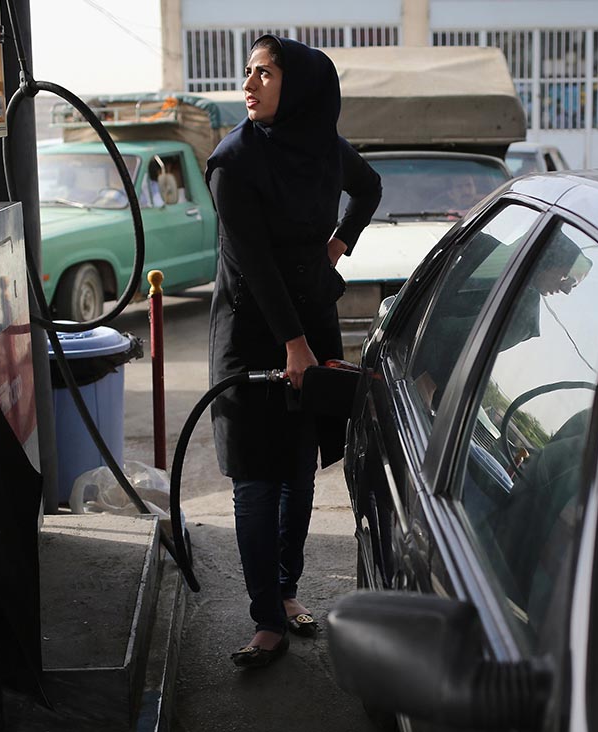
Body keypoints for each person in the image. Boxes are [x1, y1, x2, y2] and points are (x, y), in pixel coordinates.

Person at [204, 35, 382, 668]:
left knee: (300, 471)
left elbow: (370, 187)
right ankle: (266, 620)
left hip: (309, 325)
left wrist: (337, 246)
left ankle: (285, 590)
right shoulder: (234, 162)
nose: (248, 85)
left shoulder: (322, 148)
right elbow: (250, 264)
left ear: (300, 87)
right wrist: (294, 346)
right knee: (257, 479)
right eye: (248, 72)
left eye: (265, 74)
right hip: (253, 333)